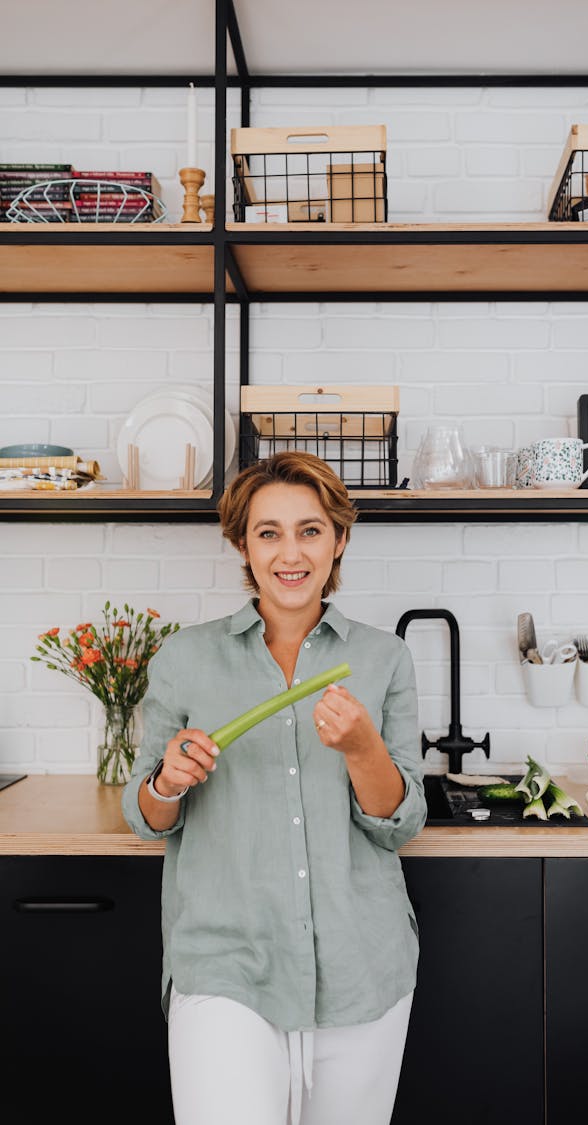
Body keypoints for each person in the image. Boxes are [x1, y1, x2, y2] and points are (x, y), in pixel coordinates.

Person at [121, 450, 427, 1125]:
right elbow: (145, 816)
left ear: (339, 539)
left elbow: (398, 822)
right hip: (225, 963)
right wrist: (169, 780)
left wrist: (362, 747)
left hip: (360, 964)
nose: (291, 552)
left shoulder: (383, 658)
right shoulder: (185, 657)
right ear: (242, 543)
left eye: (311, 529)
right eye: (269, 532)